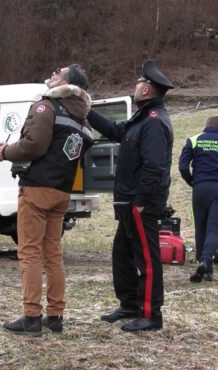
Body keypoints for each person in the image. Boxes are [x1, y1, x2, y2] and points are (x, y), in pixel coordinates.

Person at [0, 64, 93, 336]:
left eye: (59, 72)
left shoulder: (47, 106)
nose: (53, 73)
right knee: (53, 254)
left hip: (36, 188)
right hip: (62, 190)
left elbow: (34, 145)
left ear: (66, 83)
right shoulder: (82, 115)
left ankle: (31, 317)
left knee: (30, 253)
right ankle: (56, 315)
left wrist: (6, 151)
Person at [87, 60, 174, 332]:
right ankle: (129, 305)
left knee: (146, 258)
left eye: (139, 83)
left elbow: (154, 167)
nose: (135, 86)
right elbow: (115, 131)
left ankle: (151, 315)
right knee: (121, 256)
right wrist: (87, 111)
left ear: (147, 90)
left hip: (141, 204)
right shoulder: (140, 120)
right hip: (128, 202)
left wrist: (140, 202)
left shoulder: (154, 123)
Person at [178, 115, 218, 282]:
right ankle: (206, 262)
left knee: (200, 228)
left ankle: (206, 270)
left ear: (205, 127)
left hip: (199, 189)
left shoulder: (193, 140)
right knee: (214, 229)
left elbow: (182, 166)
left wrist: (193, 182)